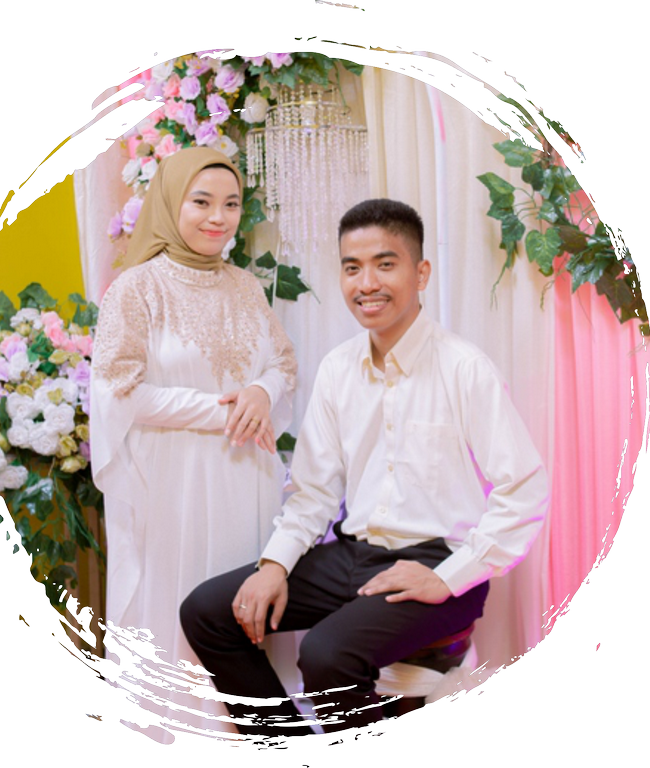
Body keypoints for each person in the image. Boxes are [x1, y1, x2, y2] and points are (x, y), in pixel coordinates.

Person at [180, 198, 549, 738]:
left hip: (440, 562)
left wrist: (446, 577)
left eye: (385, 264)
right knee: (207, 611)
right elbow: (313, 493)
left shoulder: (464, 368)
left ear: (420, 273)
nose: (367, 283)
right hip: (354, 556)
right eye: (352, 268)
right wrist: (274, 566)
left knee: (325, 654)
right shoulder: (338, 369)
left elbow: (525, 489)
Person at [89, 146, 297, 737]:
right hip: (172, 480)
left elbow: (283, 364)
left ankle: (252, 737)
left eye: (231, 204)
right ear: (170, 203)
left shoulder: (246, 287)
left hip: (246, 478)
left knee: (238, 606)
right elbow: (118, 390)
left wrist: (261, 390)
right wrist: (222, 410)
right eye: (201, 202)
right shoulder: (137, 289)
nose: (218, 217)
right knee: (177, 597)